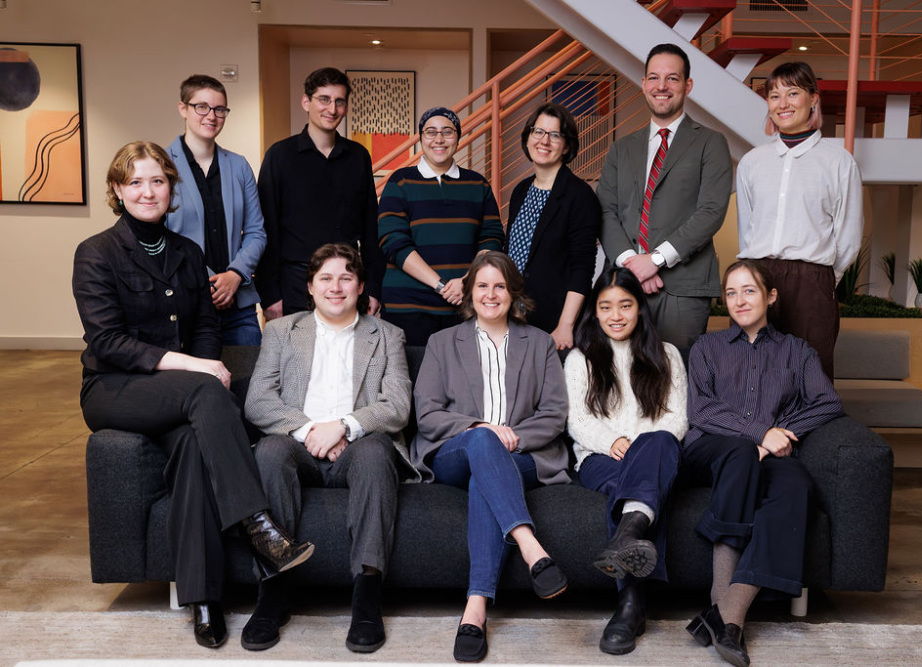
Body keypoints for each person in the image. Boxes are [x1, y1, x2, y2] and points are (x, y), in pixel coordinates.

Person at [71, 141, 314, 649]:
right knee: (206, 395)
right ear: (117, 191)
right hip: (116, 388)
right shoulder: (96, 252)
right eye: (134, 182)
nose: (147, 191)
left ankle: (203, 599)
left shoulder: (188, 253)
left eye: (157, 180)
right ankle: (259, 526)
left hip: (180, 394)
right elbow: (108, 342)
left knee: (189, 452)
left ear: (171, 188)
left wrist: (207, 360)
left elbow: (206, 325)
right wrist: (198, 368)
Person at [243, 243, 413, 653]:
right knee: (268, 452)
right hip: (298, 445)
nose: (336, 287)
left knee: (375, 452)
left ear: (360, 288)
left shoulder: (387, 335)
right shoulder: (283, 332)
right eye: (326, 278)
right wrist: (310, 431)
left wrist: (343, 427)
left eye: (346, 278)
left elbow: (398, 406)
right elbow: (258, 401)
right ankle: (272, 593)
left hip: (358, 447)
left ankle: (367, 596)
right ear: (311, 287)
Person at [411, 251, 570, 662]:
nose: (491, 293)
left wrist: (510, 436)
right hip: (455, 453)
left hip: (524, 453)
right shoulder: (442, 343)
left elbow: (554, 413)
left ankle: (475, 607)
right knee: (482, 443)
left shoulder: (539, 343)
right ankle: (530, 545)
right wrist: (483, 430)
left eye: (500, 285)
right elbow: (427, 414)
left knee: (488, 472)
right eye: (482, 285)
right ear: (469, 292)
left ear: (513, 292)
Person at [683, 260, 843, 667]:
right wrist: (758, 433)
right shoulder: (707, 347)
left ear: (771, 296)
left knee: (796, 487)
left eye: (749, 290)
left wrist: (777, 437)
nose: (739, 300)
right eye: (731, 293)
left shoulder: (796, 350)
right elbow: (701, 410)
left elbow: (827, 402)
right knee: (739, 454)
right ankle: (722, 600)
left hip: (772, 454)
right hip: (712, 450)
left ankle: (728, 616)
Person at [564, 267, 687, 655]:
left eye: (625, 305)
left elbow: (677, 418)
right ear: (595, 312)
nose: (616, 315)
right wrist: (611, 440)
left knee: (659, 446)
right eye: (606, 307)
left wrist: (638, 448)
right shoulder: (580, 358)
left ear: (640, 309)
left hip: (653, 454)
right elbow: (577, 420)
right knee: (643, 486)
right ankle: (632, 587)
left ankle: (628, 600)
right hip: (600, 458)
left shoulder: (667, 355)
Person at [597, 43, 732, 358]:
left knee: (679, 377)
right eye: (654, 78)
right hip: (624, 285)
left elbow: (711, 211)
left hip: (683, 287)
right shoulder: (621, 149)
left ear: (688, 86)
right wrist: (632, 264)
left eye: (672, 78)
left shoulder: (711, 143)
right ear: (643, 84)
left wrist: (654, 260)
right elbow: (605, 210)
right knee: (621, 374)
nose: (661, 86)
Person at [736, 61, 863, 380]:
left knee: (812, 375)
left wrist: (821, 280)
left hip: (812, 281)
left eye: (793, 93)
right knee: (751, 374)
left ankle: (811, 432)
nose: (783, 103)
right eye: (775, 95)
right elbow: (746, 229)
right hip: (757, 276)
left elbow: (848, 235)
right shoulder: (752, 162)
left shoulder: (838, 162)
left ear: (813, 99)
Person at [257, 67, 383, 320]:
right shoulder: (280, 155)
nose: (332, 109)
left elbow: (371, 229)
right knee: (298, 360)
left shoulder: (358, 156)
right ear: (306, 102)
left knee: (348, 359)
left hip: (347, 284)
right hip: (295, 284)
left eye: (339, 101)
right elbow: (266, 228)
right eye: (324, 99)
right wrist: (270, 295)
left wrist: (373, 289)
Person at [378, 107, 504, 346]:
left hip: (465, 306)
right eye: (430, 132)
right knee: (412, 381)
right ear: (420, 138)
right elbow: (393, 242)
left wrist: (467, 281)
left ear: (458, 137)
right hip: (408, 307)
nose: (439, 139)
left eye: (447, 132)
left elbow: (492, 238)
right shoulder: (400, 181)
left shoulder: (477, 184)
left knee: (462, 381)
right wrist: (441, 285)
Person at [166, 74, 267, 345]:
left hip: (240, 305)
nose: (211, 116)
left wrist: (235, 275)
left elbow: (257, 232)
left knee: (247, 384)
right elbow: (159, 238)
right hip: (186, 303)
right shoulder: (162, 166)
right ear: (183, 109)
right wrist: (210, 282)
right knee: (198, 386)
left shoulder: (239, 166)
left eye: (219, 109)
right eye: (202, 106)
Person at [506, 102, 601, 350]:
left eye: (555, 135)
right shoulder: (521, 191)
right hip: (513, 316)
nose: (544, 141)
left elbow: (583, 268)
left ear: (567, 145)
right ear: (528, 138)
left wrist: (566, 325)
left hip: (554, 321)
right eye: (538, 132)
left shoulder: (580, 196)